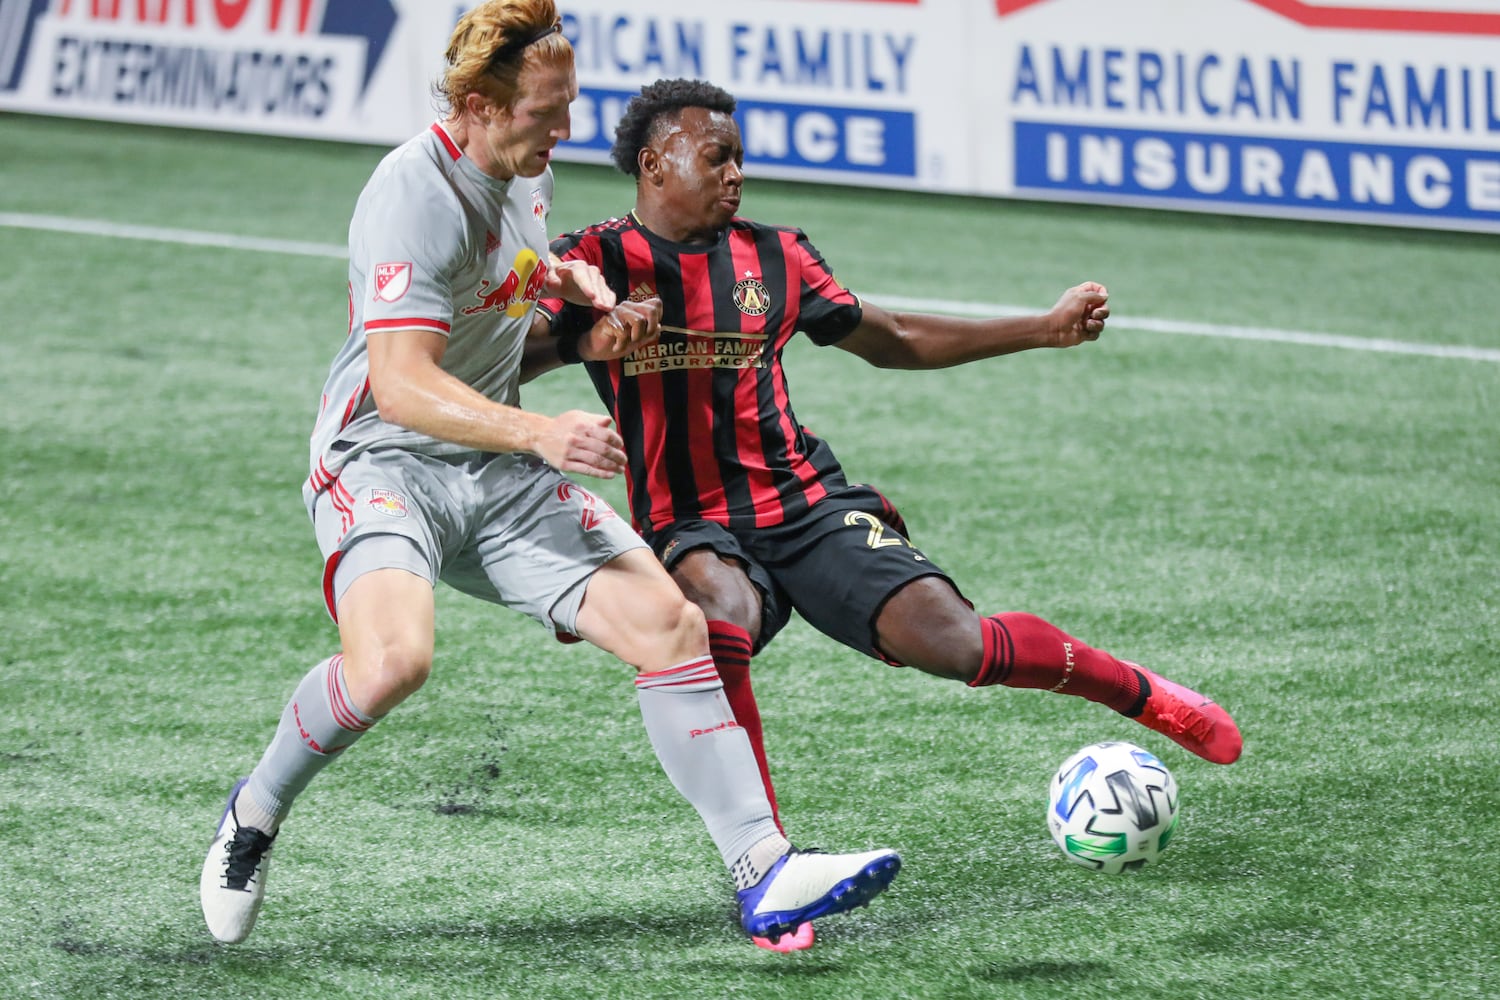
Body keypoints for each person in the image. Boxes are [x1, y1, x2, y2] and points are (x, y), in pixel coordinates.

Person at [199, 10, 902, 950]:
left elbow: (508, 278)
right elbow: (403, 386)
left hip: (499, 466)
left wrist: (569, 289)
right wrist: (543, 431)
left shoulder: (524, 168)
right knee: (393, 664)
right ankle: (253, 810)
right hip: (385, 462)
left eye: (568, 104)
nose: (565, 130)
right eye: (546, 110)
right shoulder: (413, 193)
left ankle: (762, 871)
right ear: (477, 104)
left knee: (670, 624)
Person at [525, 77, 1244, 949]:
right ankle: (770, 873)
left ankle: (1140, 694)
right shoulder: (590, 261)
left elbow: (891, 337)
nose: (736, 173)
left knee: (959, 646)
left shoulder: (776, 256)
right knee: (712, 623)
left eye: (739, 157)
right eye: (717, 156)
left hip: (805, 502)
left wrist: (1042, 328)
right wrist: (583, 338)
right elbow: (505, 355)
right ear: (654, 163)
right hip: (689, 522)